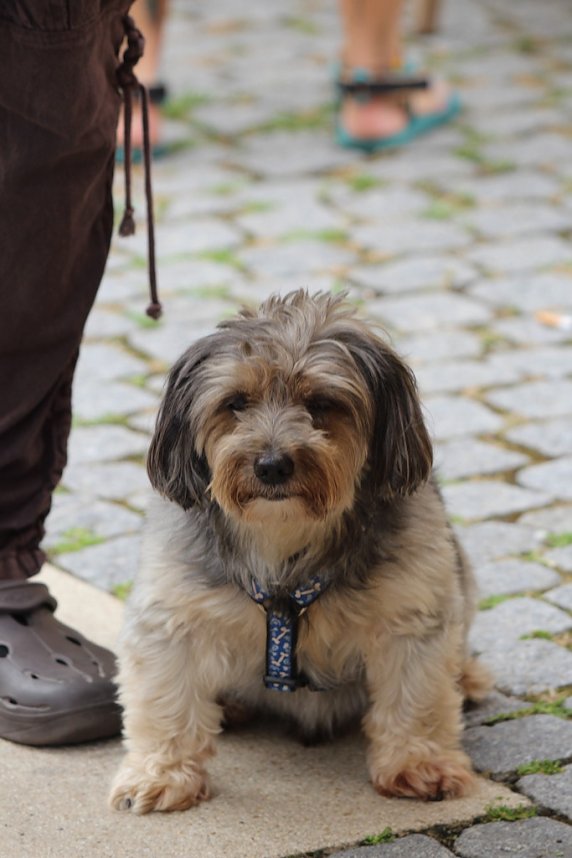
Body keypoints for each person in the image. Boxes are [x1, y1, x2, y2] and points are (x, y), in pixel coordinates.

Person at [0, 0, 459, 748]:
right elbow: (163, 636)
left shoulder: (405, 534)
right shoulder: (186, 545)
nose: (275, 447)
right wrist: (162, 761)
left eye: (322, 409)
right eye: (236, 407)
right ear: (193, 428)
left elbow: (425, 624)